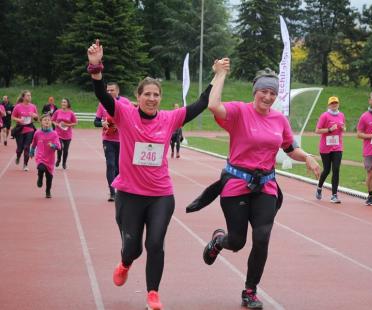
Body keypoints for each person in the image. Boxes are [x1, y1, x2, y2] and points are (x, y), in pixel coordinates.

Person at [87, 39, 227, 310]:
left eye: (156, 95)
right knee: (133, 249)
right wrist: (95, 66)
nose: (152, 99)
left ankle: (153, 294)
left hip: (160, 194)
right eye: (147, 94)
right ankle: (126, 262)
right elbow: (102, 95)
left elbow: (201, 103)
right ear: (138, 96)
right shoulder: (125, 114)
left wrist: (217, 74)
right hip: (129, 194)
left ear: (160, 98)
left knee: (155, 244)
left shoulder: (170, 118)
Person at [187, 63, 321, 309]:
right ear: (255, 92)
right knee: (237, 242)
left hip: (266, 187)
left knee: (262, 237)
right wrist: (221, 73)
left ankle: (250, 291)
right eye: (264, 92)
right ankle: (219, 241)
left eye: (272, 93)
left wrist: (308, 157)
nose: (268, 97)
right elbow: (214, 105)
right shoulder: (239, 111)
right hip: (236, 184)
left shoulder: (279, 119)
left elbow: (290, 149)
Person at [94, 82, 131, 202]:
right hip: (108, 139)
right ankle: (112, 192)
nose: (109, 92)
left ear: (118, 91)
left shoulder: (125, 102)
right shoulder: (102, 103)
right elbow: (96, 121)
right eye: (107, 90)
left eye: (112, 90)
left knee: (119, 167)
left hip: (122, 140)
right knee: (110, 165)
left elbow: (132, 117)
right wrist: (102, 123)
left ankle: (120, 188)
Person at [314, 96, 346, 203]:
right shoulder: (324, 116)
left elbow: (344, 128)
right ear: (329, 105)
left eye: (336, 103)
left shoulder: (341, 115)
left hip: (338, 146)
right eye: (332, 103)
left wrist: (343, 128)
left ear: (338, 104)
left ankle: (334, 195)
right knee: (327, 170)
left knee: (336, 169)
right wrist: (329, 129)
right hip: (325, 147)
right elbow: (317, 130)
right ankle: (319, 187)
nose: (334, 104)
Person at [30, 114, 61, 198]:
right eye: (45, 120)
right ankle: (40, 177)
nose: (47, 121)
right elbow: (34, 143)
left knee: (49, 177)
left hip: (50, 159)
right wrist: (31, 151)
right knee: (41, 168)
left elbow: (59, 146)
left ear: (51, 122)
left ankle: (48, 191)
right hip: (40, 156)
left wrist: (53, 146)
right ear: (41, 122)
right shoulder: (37, 133)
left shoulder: (54, 134)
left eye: (48, 120)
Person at [11, 90, 38, 170]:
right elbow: (12, 117)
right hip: (20, 129)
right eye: (27, 95)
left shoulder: (33, 106)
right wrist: (19, 120)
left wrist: (34, 116)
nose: (29, 97)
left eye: (30, 95)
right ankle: (18, 156)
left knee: (27, 147)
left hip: (29, 128)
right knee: (20, 149)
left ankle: (25, 165)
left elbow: (37, 119)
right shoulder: (18, 106)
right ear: (23, 97)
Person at [52, 98, 78, 169]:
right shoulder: (57, 111)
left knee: (65, 150)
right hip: (58, 133)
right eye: (62, 102)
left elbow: (75, 123)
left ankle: (64, 162)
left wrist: (67, 125)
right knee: (60, 147)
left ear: (67, 104)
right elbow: (52, 120)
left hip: (67, 135)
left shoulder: (71, 113)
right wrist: (56, 124)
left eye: (65, 102)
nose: (63, 104)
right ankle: (58, 159)